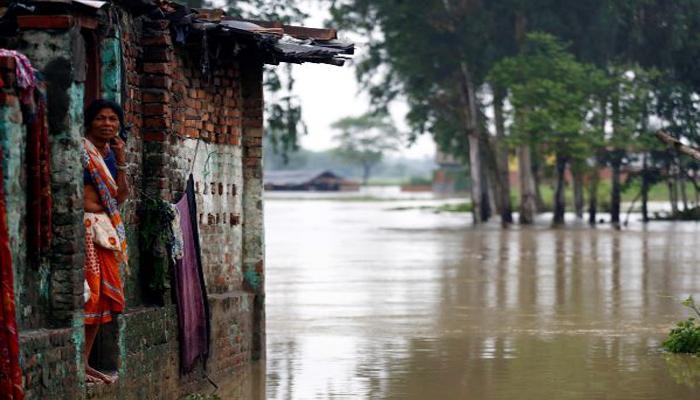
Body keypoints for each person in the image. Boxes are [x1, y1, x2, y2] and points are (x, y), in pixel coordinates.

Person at [82, 99, 129, 384]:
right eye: (101, 118)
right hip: (85, 229)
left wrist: (122, 161)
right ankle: (79, 362)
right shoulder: (80, 152)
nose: (107, 124)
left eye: (113, 119)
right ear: (90, 121)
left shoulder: (111, 155)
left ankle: (84, 362)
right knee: (88, 296)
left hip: (104, 231)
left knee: (103, 301)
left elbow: (120, 197)